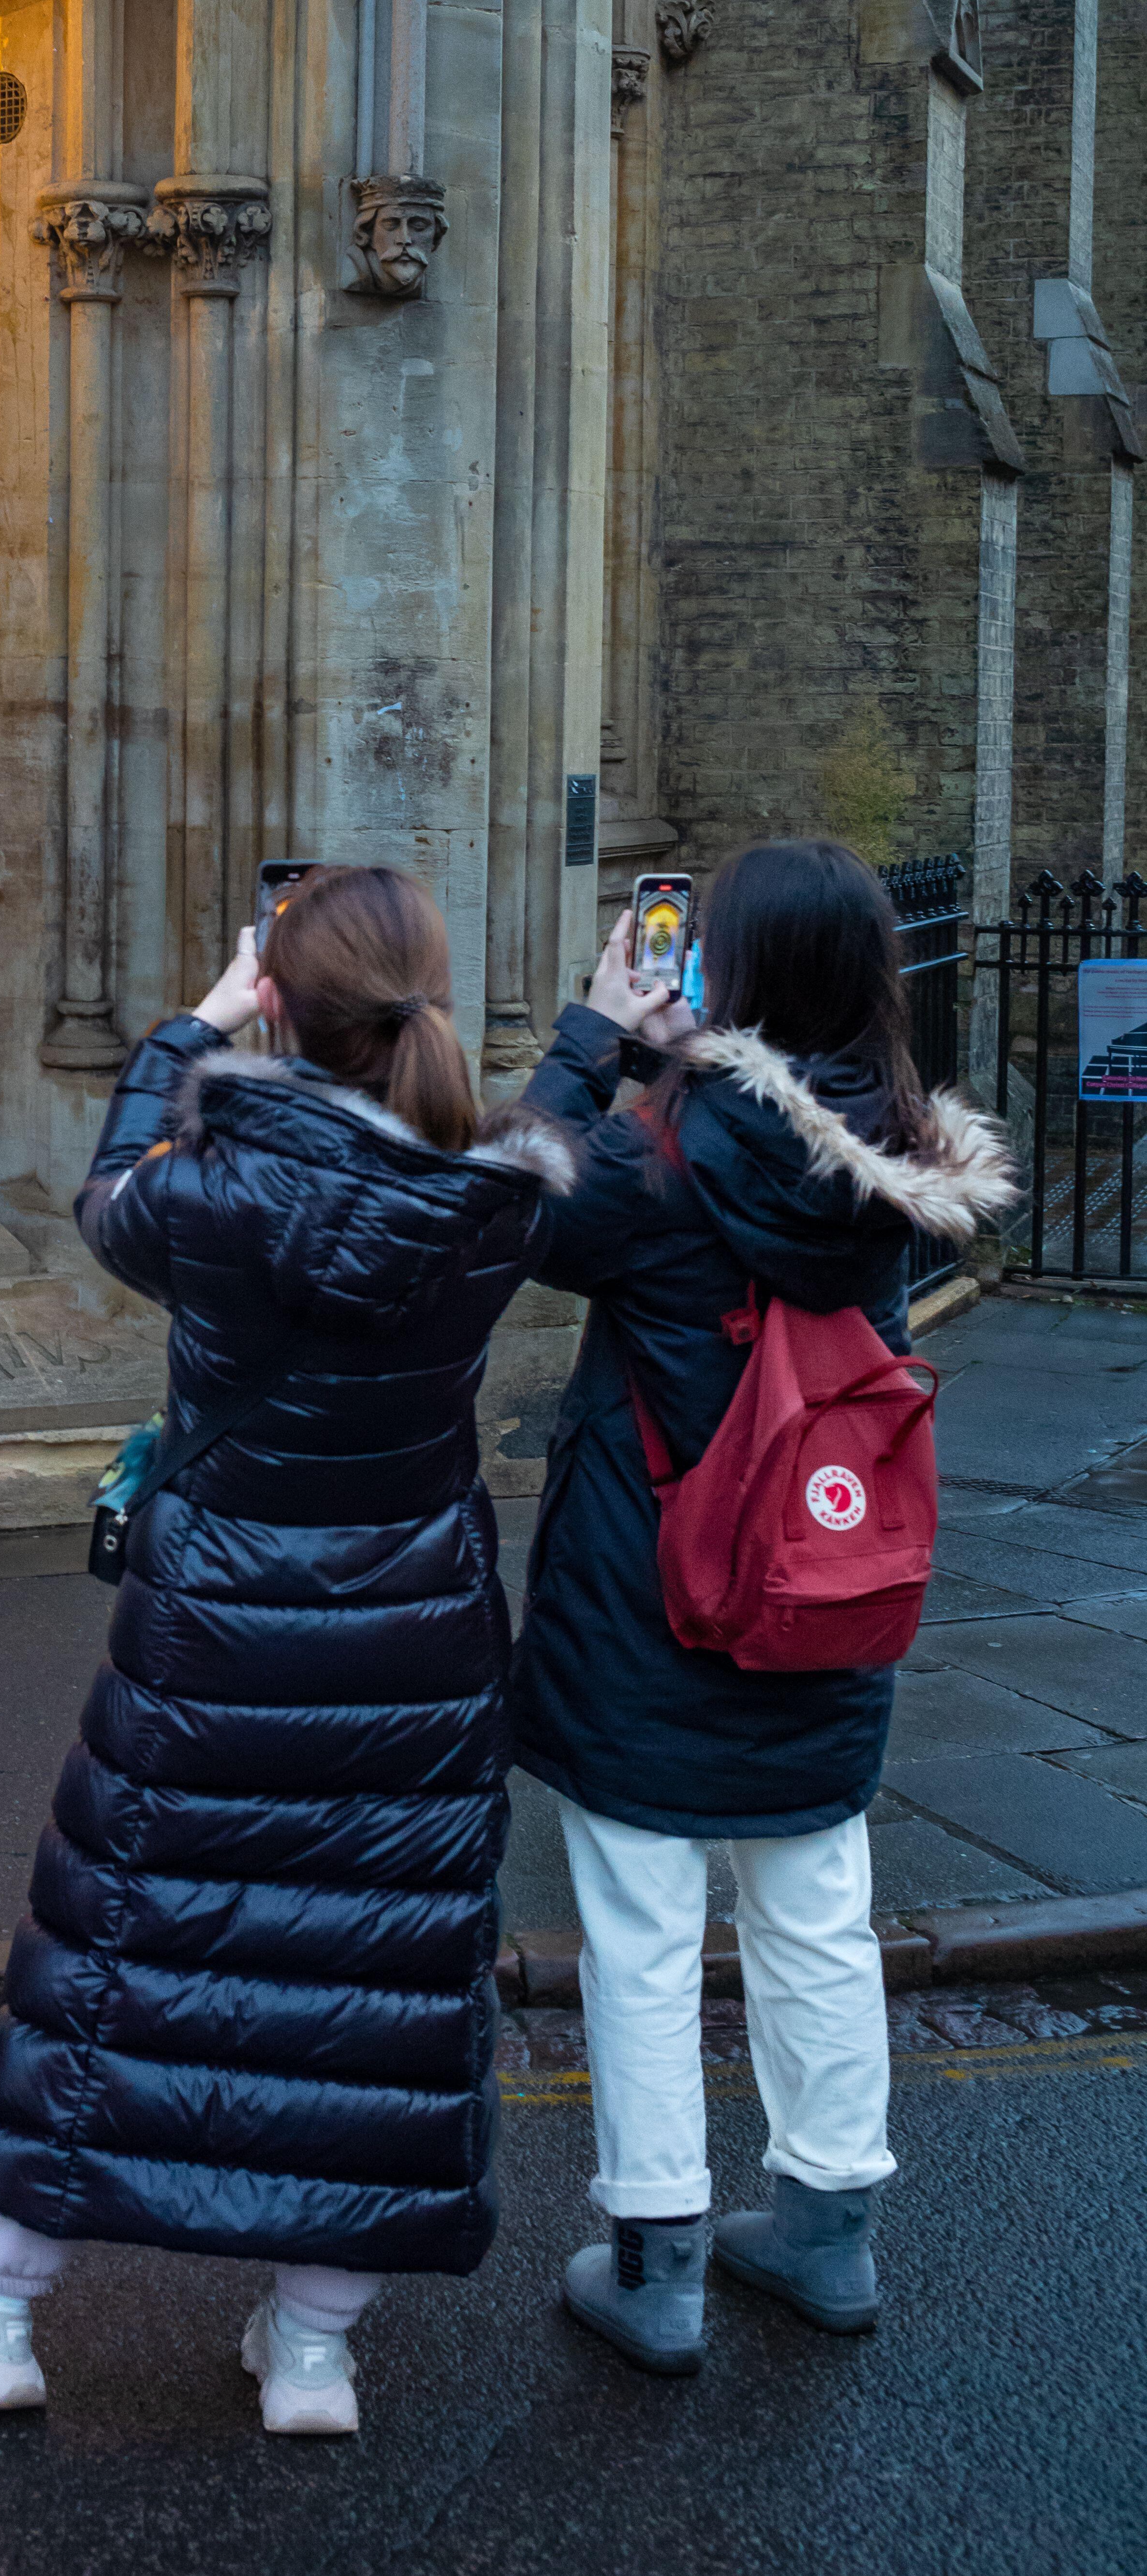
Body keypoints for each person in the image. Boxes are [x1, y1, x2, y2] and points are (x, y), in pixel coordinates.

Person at [0, 865, 578, 2434]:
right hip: (411, 1630)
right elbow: (529, 1129)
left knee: (121, 1957)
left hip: (217, 1621)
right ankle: (312, 2349)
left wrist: (189, 1028)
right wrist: (595, 1029)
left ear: (282, 1000)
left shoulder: (211, 1188)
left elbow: (109, 1189)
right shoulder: (501, 1204)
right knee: (373, 1989)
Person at [510, 838, 1015, 2375]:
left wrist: (595, 1044)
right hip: (819, 1584)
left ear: (722, 972)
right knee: (814, 1913)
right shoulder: (908, 1154)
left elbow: (504, 1210)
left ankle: (656, 2256)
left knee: (643, 1928)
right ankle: (826, 2230)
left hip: (644, 1594)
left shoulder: (658, 1159)